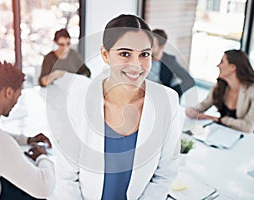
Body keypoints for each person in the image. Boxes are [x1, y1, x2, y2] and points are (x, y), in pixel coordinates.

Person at [62, 14, 182, 200]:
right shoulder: (77, 102)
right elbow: (65, 179)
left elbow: (165, 174)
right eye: (125, 54)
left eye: (144, 54)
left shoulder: (168, 101)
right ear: (105, 55)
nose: (136, 65)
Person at [0, 61, 55, 199]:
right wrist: (42, 156)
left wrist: (27, 140)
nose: (17, 101)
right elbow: (43, 188)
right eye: (19, 94)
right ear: (9, 92)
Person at [186, 49, 254, 139]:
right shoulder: (220, 86)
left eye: (222, 62)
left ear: (232, 67)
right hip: (229, 136)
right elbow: (203, 105)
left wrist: (218, 119)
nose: (218, 65)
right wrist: (192, 111)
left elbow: (248, 126)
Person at [146, 29, 195, 97]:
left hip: (160, 97)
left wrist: (172, 92)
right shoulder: (143, 57)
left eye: (152, 46)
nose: (148, 48)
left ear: (162, 47)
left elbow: (189, 81)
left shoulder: (170, 61)